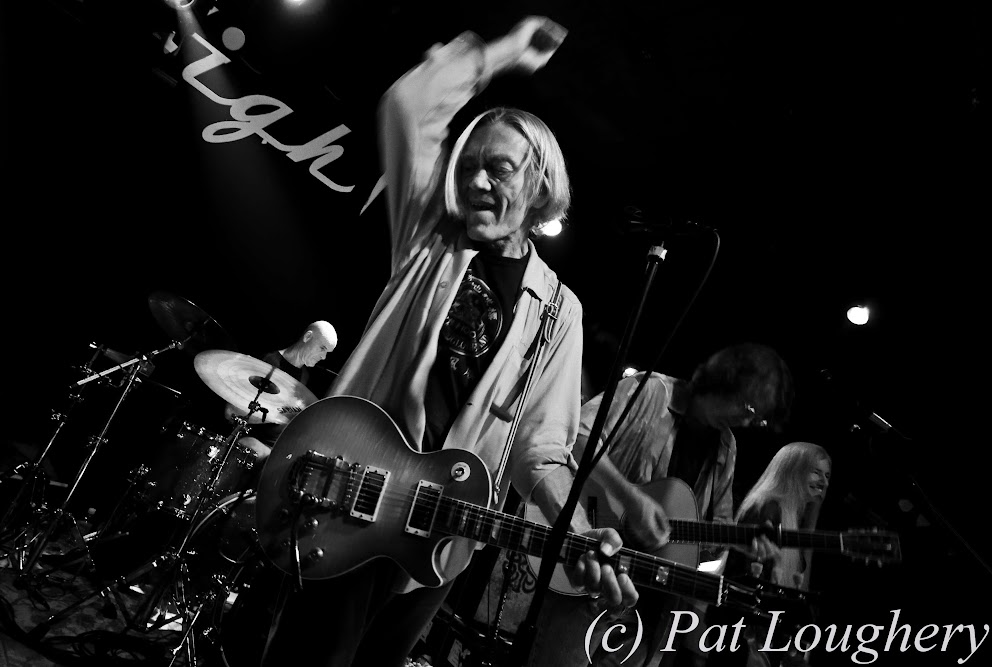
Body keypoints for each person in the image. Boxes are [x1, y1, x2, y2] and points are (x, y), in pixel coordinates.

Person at [257, 16, 644, 667]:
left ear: (540, 185)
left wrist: (575, 530)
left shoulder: (559, 311)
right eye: (467, 167)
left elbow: (542, 449)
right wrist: (501, 54)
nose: (477, 182)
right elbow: (407, 106)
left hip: (437, 542)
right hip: (351, 498)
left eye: (499, 169)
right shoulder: (431, 237)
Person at [528, 342, 795, 667]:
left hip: (650, 605)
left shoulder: (727, 447)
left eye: (759, 419)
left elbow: (715, 532)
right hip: (591, 570)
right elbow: (576, 439)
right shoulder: (651, 390)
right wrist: (629, 497)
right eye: (751, 409)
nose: (750, 421)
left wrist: (739, 542)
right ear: (728, 381)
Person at [707, 442, 832, 667]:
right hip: (740, 640)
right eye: (816, 472)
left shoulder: (794, 517)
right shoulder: (767, 509)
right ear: (793, 470)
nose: (824, 481)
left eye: (827, 475)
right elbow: (746, 584)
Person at [225, 319, 339, 461]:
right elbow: (231, 412)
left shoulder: (304, 376)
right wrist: (281, 414)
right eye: (322, 348)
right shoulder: (269, 363)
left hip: (280, 449)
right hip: (253, 442)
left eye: (327, 352)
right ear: (307, 337)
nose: (323, 357)